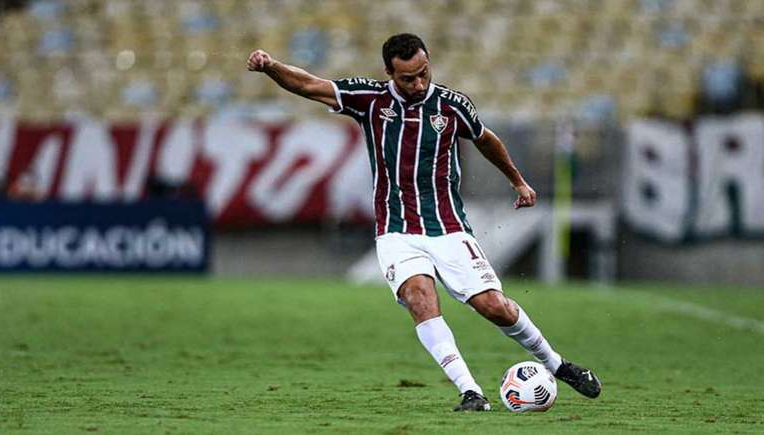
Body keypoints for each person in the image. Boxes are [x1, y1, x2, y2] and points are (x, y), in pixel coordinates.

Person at [247, 33, 601, 411]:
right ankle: (470, 392)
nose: (418, 84)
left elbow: (485, 139)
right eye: (407, 78)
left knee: (494, 306)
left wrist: (517, 180)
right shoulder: (370, 99)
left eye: (423, 73)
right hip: (396, 230)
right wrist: (271, 67)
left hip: (448, 226)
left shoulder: (451, 105)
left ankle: (557, 364)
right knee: (420, 298)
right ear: (389, 73)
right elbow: (308, 84)